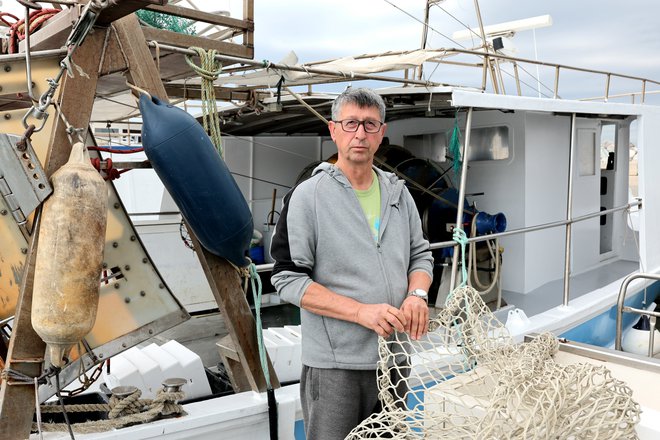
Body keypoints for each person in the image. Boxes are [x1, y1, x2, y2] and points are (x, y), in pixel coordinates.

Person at [270, 87, 433, 440]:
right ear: (333, 130)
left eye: (370, 125)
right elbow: (287, 277)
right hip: (335, 367)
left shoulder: (398, 193)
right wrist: (361, 312)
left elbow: (420, 255)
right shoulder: (308, 196)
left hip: (395, 358)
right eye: (351, 123)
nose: (360, 133)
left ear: (382, 133)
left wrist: (417, 295)